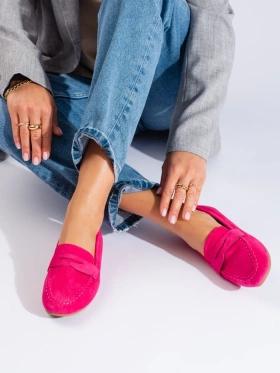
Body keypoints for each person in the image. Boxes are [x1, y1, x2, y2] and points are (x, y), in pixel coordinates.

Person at [0, 0, 271, 317]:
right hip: (77, 86)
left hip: (161, 86)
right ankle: (176, 217)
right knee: (8, 96)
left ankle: (84, 214)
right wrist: (22, 81)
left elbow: (212, 16)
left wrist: (193, 139)